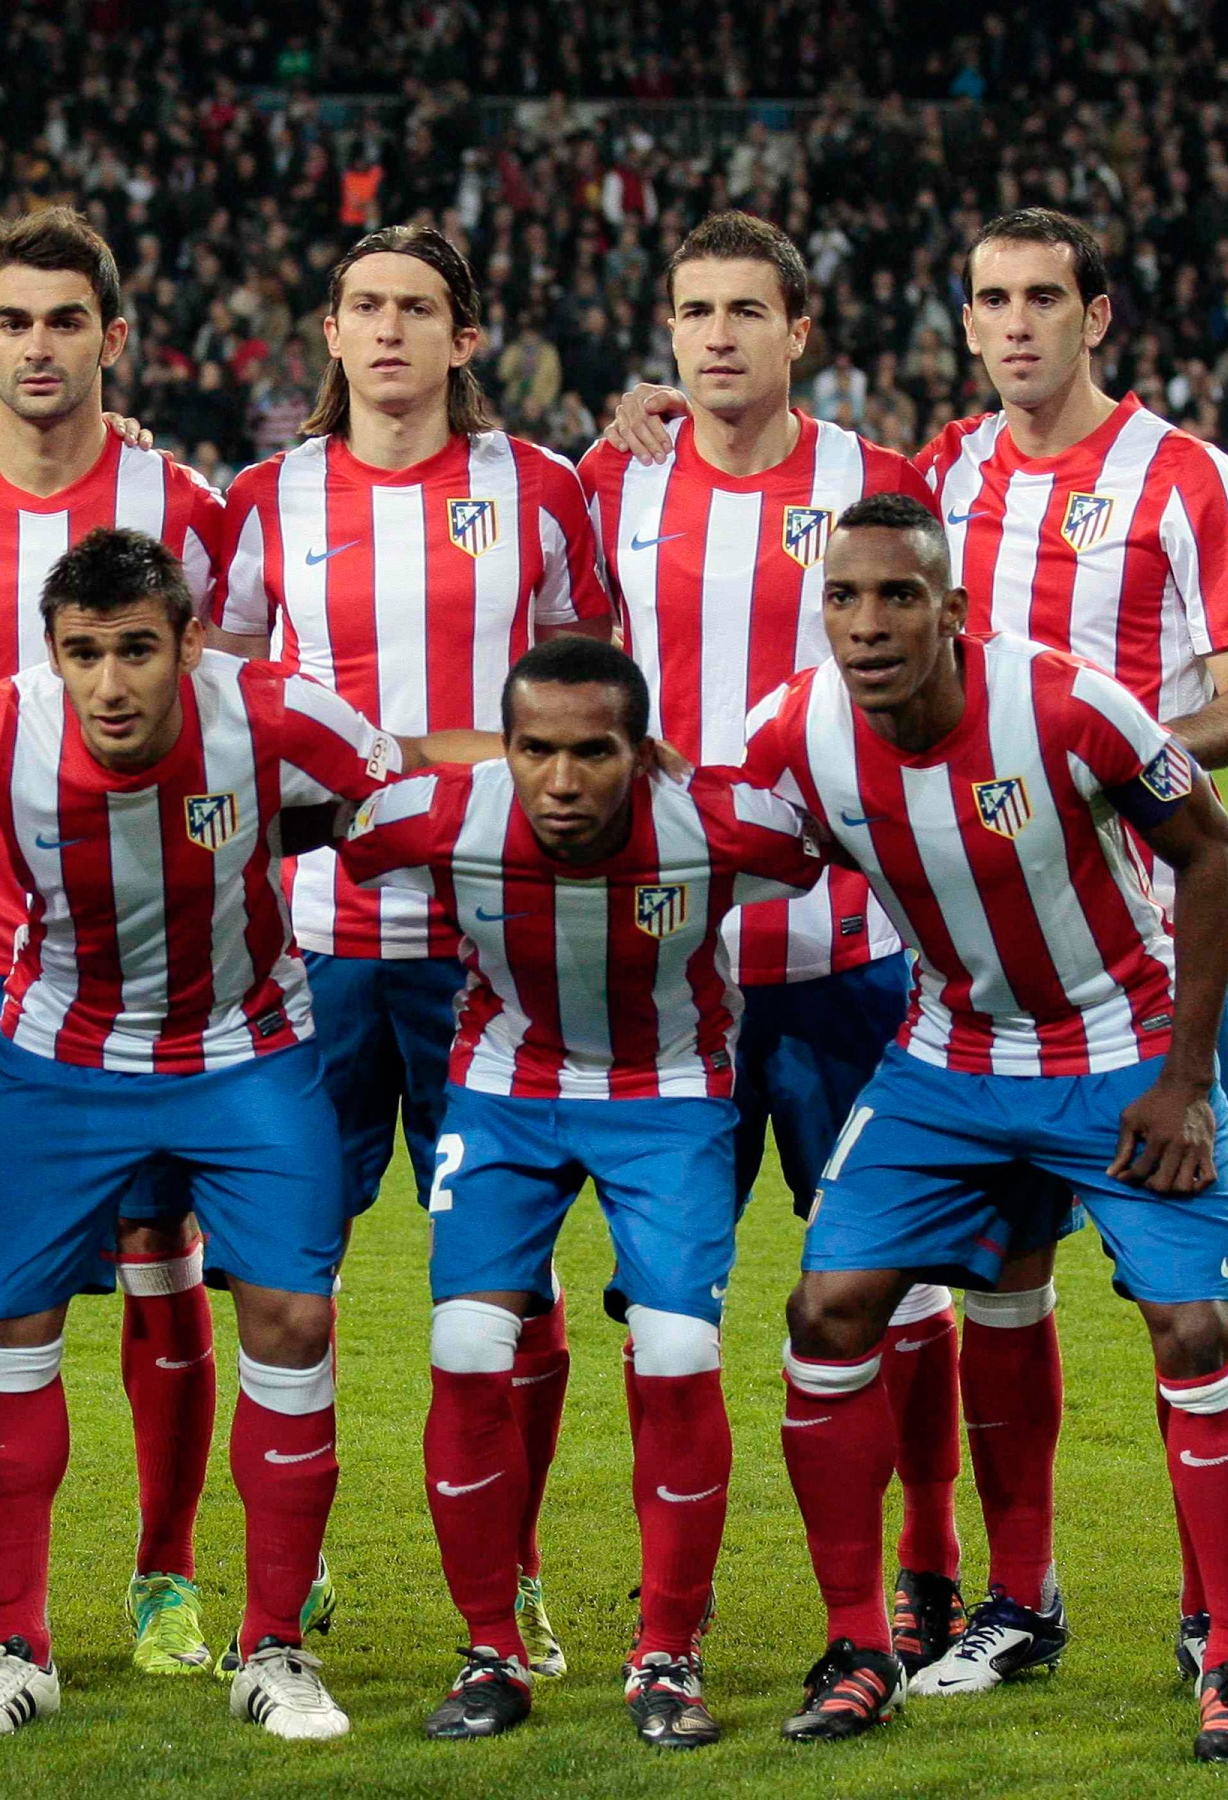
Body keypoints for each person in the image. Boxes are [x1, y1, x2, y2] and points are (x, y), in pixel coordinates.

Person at [608, 206, 1228, 1694]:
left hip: (1151, 946)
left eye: (1047, 295)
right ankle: (1019, 1597)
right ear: (967, 322)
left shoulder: (1186, 479)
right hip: (964, 977)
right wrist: (640, 424)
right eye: (992, 298)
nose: (1020, 322)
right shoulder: (943, 474)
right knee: (1000, 1288)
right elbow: (820, 559)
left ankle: (1212, 1616)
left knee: (1194, 1292)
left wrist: (1071, 767)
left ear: (1095, 314)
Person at [0, 527, 496, 1742]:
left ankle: (273, 1648)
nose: (110, 683)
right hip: (60, 1064)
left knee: (295, 1318)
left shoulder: (269, 713)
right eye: (84, 654)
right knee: (8, 1325)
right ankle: (17, 1647)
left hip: (248, 1054)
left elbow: (411, 763)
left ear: (191, 643)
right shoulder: (0, 731)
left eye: (138, 651)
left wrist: (594, 761)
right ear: (53, 655)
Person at [740, 495, 1228, 1764]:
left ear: (955, 613)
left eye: (898, 598)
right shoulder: (796, 733)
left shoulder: (1067, 704)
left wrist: (1186, 1078)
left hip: (1121, 1051)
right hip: (951, 1060)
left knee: (1194, 1327)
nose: (867, 626)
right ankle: (861, 1641)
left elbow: (1209, 855)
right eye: (844, 599)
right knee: (827, 1310)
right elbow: (733, 847)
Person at [577, 211, 974, 1673]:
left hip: (849, 950)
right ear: (670, 331)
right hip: (673, 964)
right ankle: (666, 1588)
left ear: (801, 332)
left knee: (899, 1280)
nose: (720, 336)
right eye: (696, 312)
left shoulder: (880, 480)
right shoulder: (615, 480)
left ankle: (926, 1561)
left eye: (750, 310)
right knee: (665, 1299)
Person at [211, 222, 610, 1674]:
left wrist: (413, 761)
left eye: (419, 308)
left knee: (510, 1289)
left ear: (466, 337)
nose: (389, 330)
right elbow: (226, 692)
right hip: (309, 949)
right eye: (364, 305)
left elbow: (584, 703)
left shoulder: (538, 490)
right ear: (328, 330)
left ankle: (516, 1572)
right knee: (284, 1283)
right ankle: (287, 1582)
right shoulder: (267, 499)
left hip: (493, 946)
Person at [0, 209, 234, 1679]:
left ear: (111, 341)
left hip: (141, 961)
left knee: (158, 1251)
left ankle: (165, 1574)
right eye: (14, 322)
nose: (40, 347)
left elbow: (249, 674)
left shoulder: (180, 502)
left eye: (67, 321)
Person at [332, 635, 827, 1747]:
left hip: (671, 1095)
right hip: (503, 1091)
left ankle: (666, 1655)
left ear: (643, 753)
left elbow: (845, 849)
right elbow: (324, 831)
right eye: (535, 752)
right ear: (502, 749)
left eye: (594, 753)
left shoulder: (720, 821)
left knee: (680, 1350)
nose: (562, 782)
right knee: (463, 1344)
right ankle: (489, 1651)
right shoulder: (441, 817)